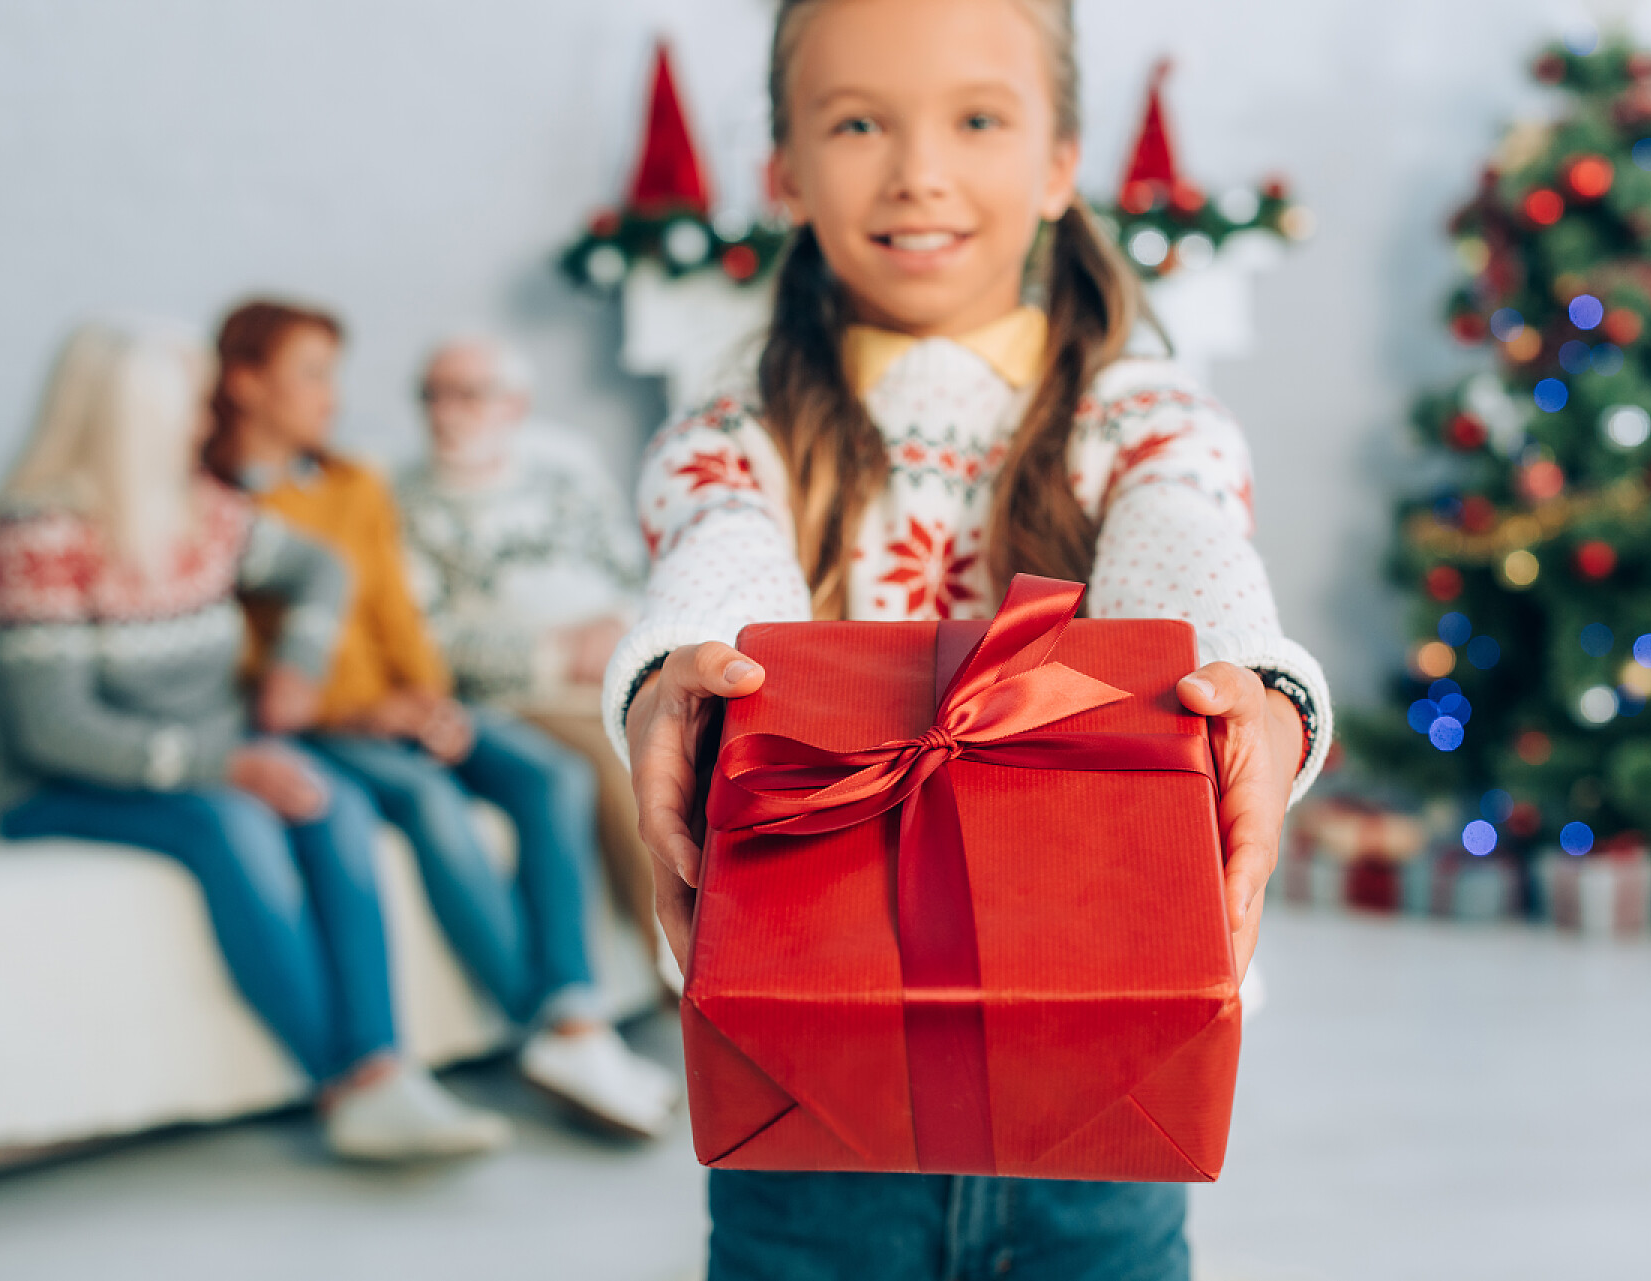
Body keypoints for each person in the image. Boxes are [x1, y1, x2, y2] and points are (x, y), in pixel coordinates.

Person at [608, 1, 1333, 1276]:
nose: (919, 171)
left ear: (1059, 163)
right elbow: (720, 546)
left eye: (979, 119)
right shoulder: (739, 433)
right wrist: (681, 664)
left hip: (1102, 1074)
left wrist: (1252, 688)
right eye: (856, 122)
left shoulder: (1148, 422)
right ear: (783, 170)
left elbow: (1187, 544)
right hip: (806, 1094)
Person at [0, 319, 511, 1163]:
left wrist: (293, 672)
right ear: (131, 425)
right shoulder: (40, 536)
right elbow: (57, 728)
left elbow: (324, 568)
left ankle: (383, 1063)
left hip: (208, 761)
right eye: (189, 409)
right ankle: (343, 1082)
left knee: (331, 799)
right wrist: (225, 763)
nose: (204, 425)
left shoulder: (202, 511)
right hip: (73, 782)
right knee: (235, 822)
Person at [203, 300, 679, 1140]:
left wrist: (430, 698)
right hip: (321, 725)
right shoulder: (213, 507)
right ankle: (554, 1027)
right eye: (313, 374)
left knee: (550, 773)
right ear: (244, 383)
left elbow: (393, 610)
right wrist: (371, 711)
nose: (333, 396)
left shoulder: (351, 483)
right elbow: (244, 663)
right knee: (429, 799)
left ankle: (575, 1005)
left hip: (405, 702)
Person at [394, 335, 664, 979]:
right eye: (432, 395)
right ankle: (687, 976)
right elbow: (425, 641)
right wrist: (555, 655)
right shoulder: (402, 500)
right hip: (519, 694)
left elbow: (632, 567)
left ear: (514, 405)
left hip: (620, 661)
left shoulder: (565, 465)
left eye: (467, 394)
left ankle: (788, 950)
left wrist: (620, 630)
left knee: (719, 732)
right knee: (626, 756)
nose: (444, 412)